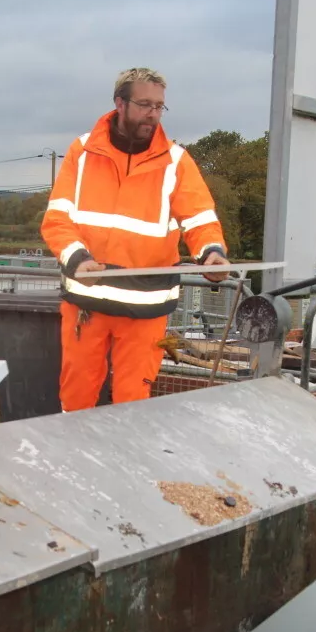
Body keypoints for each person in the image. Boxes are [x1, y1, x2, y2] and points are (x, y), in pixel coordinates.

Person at [41, 67, 230, 412]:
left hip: (147, 308)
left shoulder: (176, 161)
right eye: (144, 104)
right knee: (76, 398)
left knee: (134, 406)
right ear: (119, 103)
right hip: (87, 304)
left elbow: (199, 218)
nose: (153, 114)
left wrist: (212, 253)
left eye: (159, 106)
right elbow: (57, 220)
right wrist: (78, 259)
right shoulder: (82, 153)